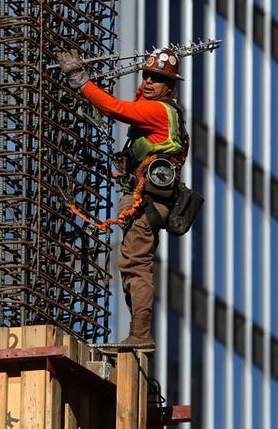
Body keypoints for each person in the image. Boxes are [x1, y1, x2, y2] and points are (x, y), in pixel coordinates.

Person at [56, 47, 189, 351]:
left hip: (146, 203)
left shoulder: (158, 112)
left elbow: (116, 109)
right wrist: (142, 89)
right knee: (129, 263)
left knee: (135, 264)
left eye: (157, 78)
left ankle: (140, 334)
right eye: (147, 76)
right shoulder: (165, 110)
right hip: (146, 200)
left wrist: (80, 80)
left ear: (170, 85)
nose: (149, 82)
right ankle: (138, 332)